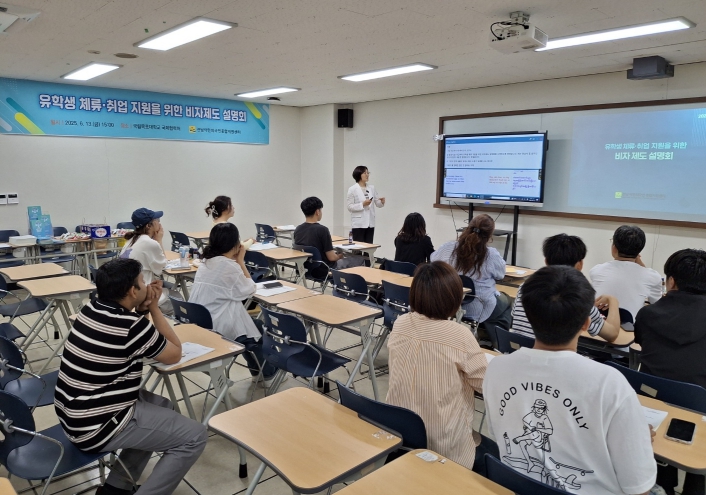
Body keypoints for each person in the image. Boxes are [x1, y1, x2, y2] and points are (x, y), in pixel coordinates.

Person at [483, 266, 657, 495]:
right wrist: (636, 439)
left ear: (527, 315)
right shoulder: (610, 383)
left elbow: (500, 433)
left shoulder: (496, 368)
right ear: (586, 324)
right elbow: (639, 488)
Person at [54, 258, 207, 495]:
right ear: (132, 291)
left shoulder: (91, 308)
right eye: (142, 281)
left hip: (73, 414)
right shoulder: (130, 325)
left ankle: (116, 488)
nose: (147, 285)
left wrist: (142, 310)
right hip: (95, 427)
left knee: (163, 406)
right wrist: (154, 307)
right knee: (195, 436)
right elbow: (174, 353)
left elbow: (134, 341)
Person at [386, 261, 494, 473]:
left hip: (400, 432)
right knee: (496, 455)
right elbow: (484, 384)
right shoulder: (460, 335)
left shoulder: (400, 323)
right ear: (454, 298)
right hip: (443, 445)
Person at [635, 249, 706, 495]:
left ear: (671, 281)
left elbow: (642, 343)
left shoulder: (647, 314)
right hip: (700, 407)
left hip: (653, 403)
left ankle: (662, 482)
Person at [189, 223, 277, 385]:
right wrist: (241, 262)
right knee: (256, 329)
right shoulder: (229, 266)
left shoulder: (206, 262)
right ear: (235, 244)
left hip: (201, 322)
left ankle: (259, 371)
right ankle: (266, 373)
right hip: (218, 326)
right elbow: (250, 289)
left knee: (252, 326)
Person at [512, 233, 620, 343]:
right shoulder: (578, 295)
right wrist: (613, 301)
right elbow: (612, 334)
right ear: (580, 264)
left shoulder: (525, 287)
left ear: (546, 262)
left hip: (518, 349)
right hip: (557, 352)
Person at [430, 213, 510, 330]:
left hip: (450, 304)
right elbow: (501, 275)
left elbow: (433, 261)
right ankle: (493, 338)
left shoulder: (447, 248)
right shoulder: (491, 255)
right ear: (489, 235)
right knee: (507, 302)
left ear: (468, 228)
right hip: (480, 307)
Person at [590, 225, 662, 321]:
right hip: (630, 327)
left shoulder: (596, 270)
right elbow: (657, 305)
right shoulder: (653, 277)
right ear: (639, 251)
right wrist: (641, 265)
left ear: (614, 248)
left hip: (598, 325)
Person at [294, 196, 362, 280]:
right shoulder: (323, 230)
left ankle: (338, 285)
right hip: (323, 270)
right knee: (360, 260)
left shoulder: (298, 229)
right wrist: (339, 256)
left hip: (304, 269)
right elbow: (332, 258)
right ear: (317, 212)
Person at [120, 208, 172, 313]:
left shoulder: (131, 240)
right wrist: (159, 240)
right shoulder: (149, 243)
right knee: (176, 298)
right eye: (157, 220)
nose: (159, 223)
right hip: (141, 294)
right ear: (149, 225)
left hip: (126, 292)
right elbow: (162, 267)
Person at [346, 166, 385, 243]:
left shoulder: (371, 188)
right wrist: (362, 204)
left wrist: (382, 202)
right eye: (364, 173)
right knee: (359, 247)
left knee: (369, 246)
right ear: (359, 174)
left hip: (370, 222)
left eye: (368, 173)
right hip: (358, 223)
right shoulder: (352, 189)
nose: (367, 175)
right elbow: (349, 207)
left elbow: (377, 203)